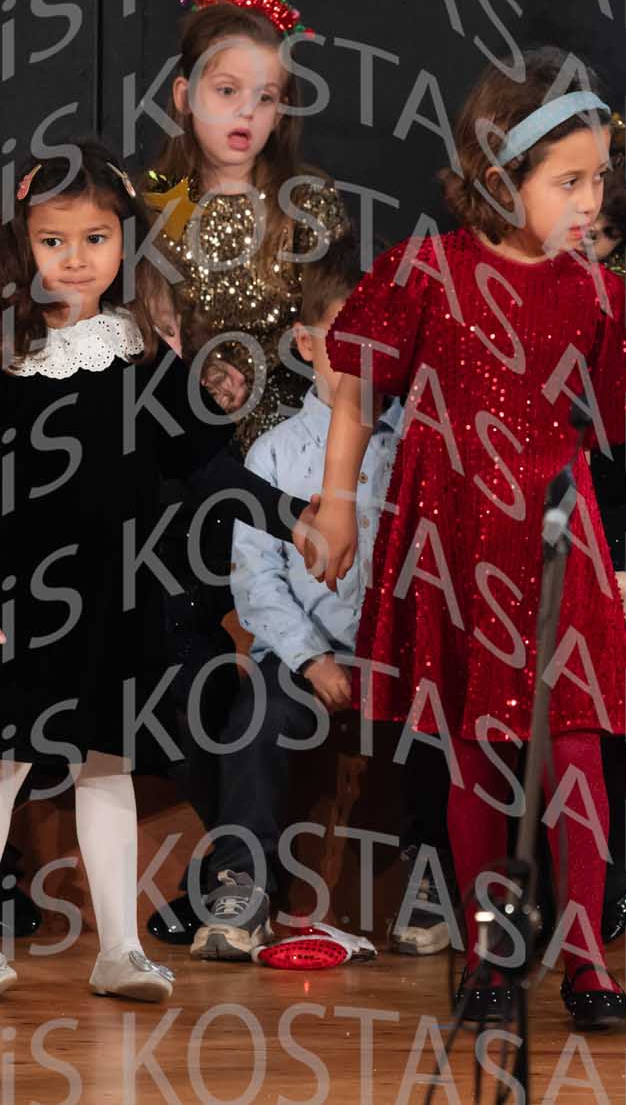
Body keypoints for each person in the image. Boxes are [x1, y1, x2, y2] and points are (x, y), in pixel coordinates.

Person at [0, 141, 302, 1006]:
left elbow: (206, 467)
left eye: (95, 239)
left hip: (119, 601)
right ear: (22, 243)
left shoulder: (139, 352)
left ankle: (119, 949)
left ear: (126, 242)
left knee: (107, 766)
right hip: (13, 602)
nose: (75, 259)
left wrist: (295, 519)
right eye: (53, 241)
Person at [298, 49, 626, 1032]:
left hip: (556, 540)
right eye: (568, 181)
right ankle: (490, 954)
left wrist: (604, 554)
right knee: (477, 755)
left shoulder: (596, 293)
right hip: (453, 539)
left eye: (598, 179)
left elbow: (591, 437)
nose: (590, 200)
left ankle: (586, 958)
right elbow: (357, 391)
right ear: (499, 178)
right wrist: (337, 504)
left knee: (574, 755)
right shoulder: (426, 273)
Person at [202, 238, 454, 962]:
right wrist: (312, 660)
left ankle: (434, 879)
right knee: (253, 718)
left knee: (446, 721)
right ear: (306, 342)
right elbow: (257, 581)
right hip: (307, 655)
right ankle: (243, 883)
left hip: (406, 653)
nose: (362, 362)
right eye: (344, 341)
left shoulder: (422, 443)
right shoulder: (274, 453)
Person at [150, 0, 349, 451]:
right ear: (185, 96)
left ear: (280, 111)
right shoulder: (158, 200)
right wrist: (200, 370)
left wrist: (261, 371)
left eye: (264, 98)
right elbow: (138, 328)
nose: (246, 111)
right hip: (184, 434)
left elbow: (337, 321)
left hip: (294, 433)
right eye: (226, 91)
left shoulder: (306, 201)